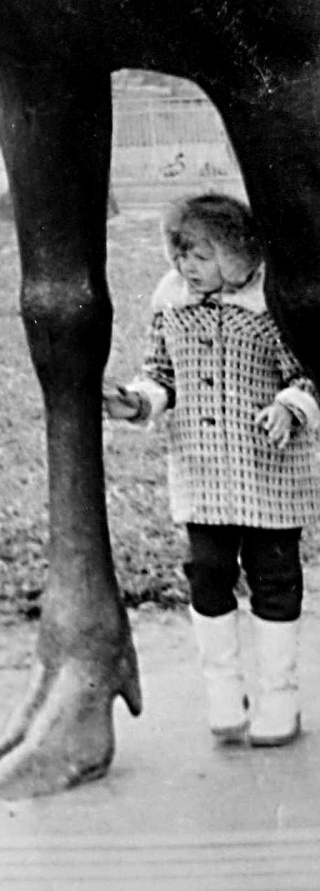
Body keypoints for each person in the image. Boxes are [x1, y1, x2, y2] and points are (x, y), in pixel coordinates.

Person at [104, 193, 320, 748]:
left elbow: (309, 375)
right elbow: (160, 375)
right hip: (202, 473)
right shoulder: (171, 304)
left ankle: (280, 697)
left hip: (269, 474)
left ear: (235, 254)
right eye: (178, 255)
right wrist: (137, 400)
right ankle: (224, 693)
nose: (184, 267)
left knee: (274, 580)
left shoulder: (272, 305)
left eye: (198, 255)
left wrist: (288, 408)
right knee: (206, 572)